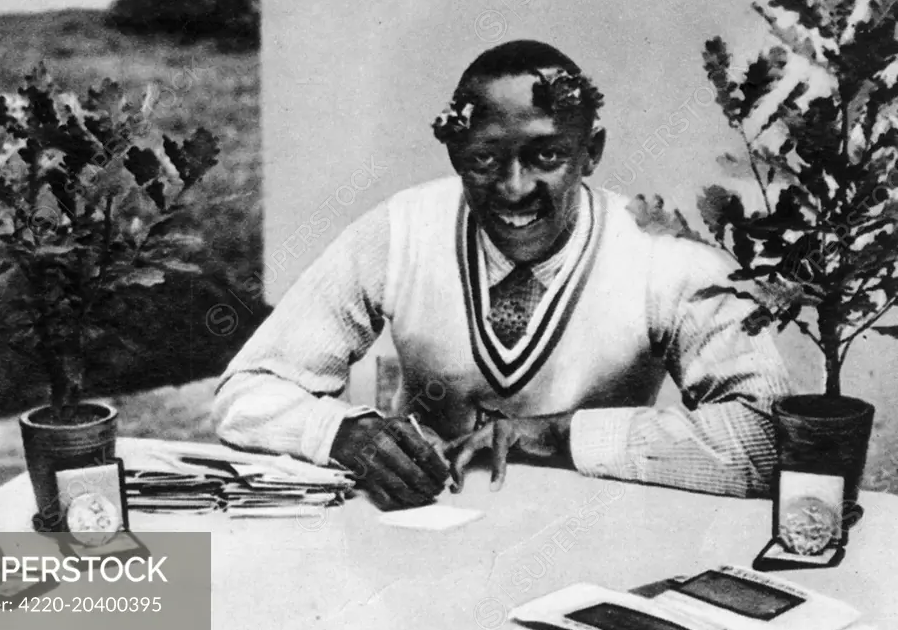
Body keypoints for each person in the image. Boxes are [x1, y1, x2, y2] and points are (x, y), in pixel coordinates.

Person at [210, 39, 791, 510]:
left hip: (596, 529)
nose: (514, 188)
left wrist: (559, 435)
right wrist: (341, 433)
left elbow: (769, 441)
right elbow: (246, 391)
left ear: (592, 152)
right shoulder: (401, 231)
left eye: (547, 156)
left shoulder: (664, 256)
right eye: (484, 160)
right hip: (422, 527)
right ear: (455, 154)